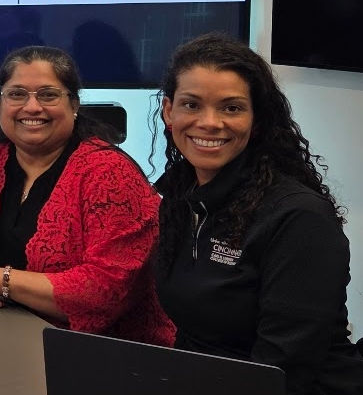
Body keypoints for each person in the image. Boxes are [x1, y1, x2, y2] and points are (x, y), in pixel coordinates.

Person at [0, 46, 173, 346]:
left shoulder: (110, 174)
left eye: (48, 94)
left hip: (95, 352)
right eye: (17, 94)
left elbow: (104, 290)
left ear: (73, 104)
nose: (32, 107)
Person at [155, 34, 363, 393]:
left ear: (258, 120)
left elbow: (282, 367)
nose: (209, 122)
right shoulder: (179, 197)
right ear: (168, 111)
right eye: (191, 105)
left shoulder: (299, 218)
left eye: (231, 108)